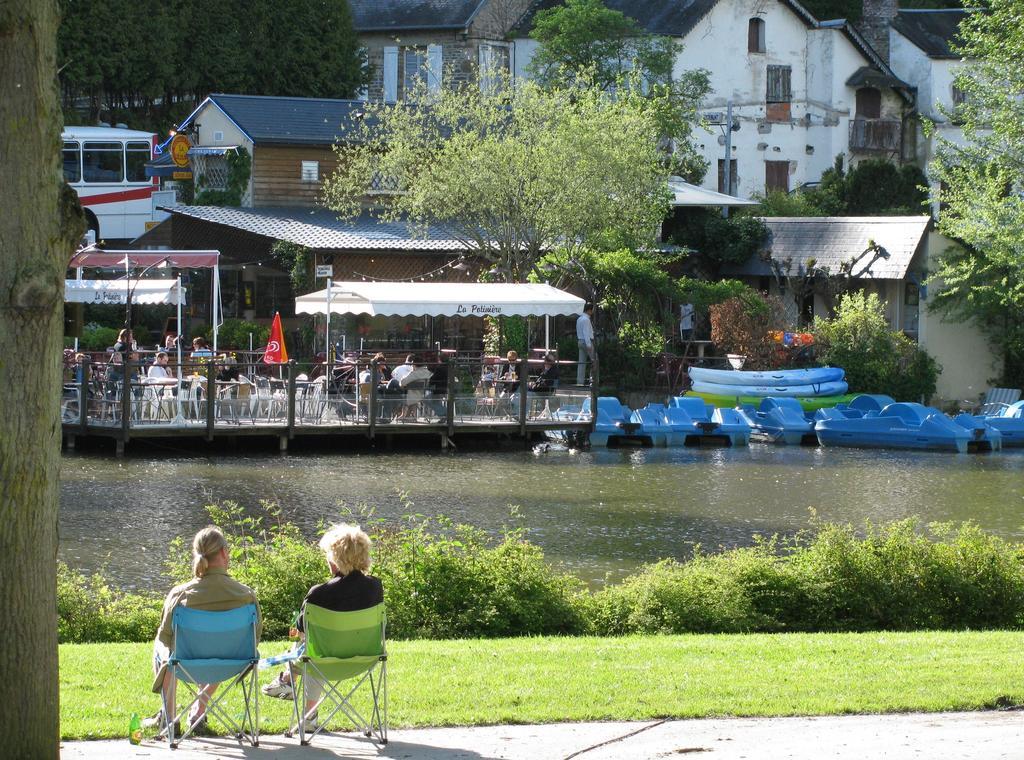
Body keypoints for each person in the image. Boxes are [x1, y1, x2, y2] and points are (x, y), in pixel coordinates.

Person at [261, 524, 384, 730]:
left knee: (312, 650)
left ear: (336, 559)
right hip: (365, 658)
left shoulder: (319, 593)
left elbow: (300, 632)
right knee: (313, 650)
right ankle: (291, 689)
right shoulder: (375, 587)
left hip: (323, 661)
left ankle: (294, 692)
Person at [144, 526, 261, 737]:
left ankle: (169, 718)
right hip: (230, 664)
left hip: (185, 664)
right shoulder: (246, 596)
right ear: (225, 553)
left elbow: (165, 639)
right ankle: (198, 711)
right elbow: (254, 640)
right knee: (224, 646)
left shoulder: (180, 595)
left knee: (163, 647)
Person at [576, 304, 596, 385]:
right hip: (586, 342)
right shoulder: (586, 320)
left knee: (581, 363)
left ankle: (580, 382)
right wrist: (589, 345)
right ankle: (593, 381)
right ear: (589, 310)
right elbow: (586, 333)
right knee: (594, 361)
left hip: (580, 341)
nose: (592, 312)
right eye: (592, 310)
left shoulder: (579, 319)